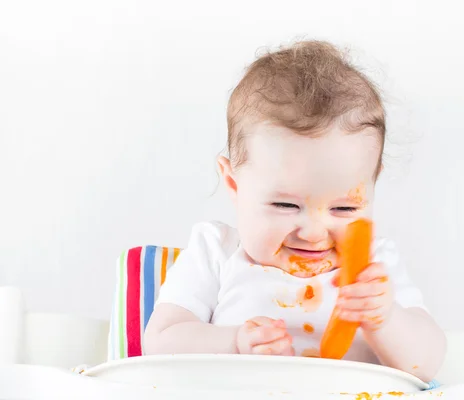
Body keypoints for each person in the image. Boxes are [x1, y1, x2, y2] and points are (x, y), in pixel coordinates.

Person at [144, 40, 446, 382]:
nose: (315, 232)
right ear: (233, 184)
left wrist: (386, 319)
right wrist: (235, 342)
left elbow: (428, 363)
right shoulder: (216, 252)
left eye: (344, 207)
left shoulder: (375, 268)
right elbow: (159, 343)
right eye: (286, 205)